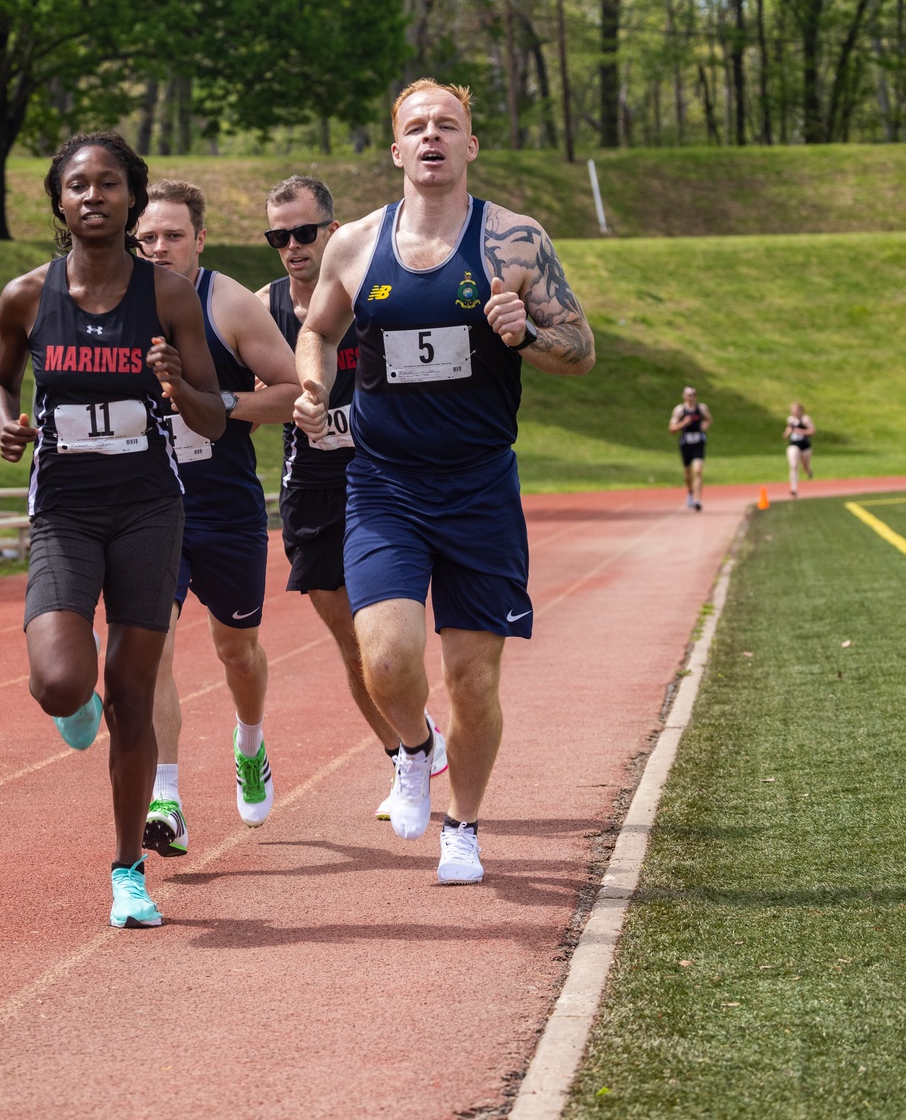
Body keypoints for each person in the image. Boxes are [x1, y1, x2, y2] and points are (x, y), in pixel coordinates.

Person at [293, 79, 595, 884]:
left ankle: (463, 824)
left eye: (447, 126)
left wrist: (525, 330)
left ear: (469, 146)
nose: (432, 138)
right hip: (385, 485)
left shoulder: (515, 241)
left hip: (479, 488)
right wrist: (314, 386)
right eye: (416, 127)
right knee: (385, 657)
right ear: (396, 150)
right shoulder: (355, 244)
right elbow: (316, 328)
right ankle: (414, 752)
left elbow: (580, 346)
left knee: (472, 674)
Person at [0, 133, 225, 930]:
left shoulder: (166, 296)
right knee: (60, 680)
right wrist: (4, 425)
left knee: (131, 693)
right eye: (79, 184)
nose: (94, 196)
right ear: (58, 200)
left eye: (110, 184)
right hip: (65, 509)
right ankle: (72, 706)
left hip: (149, 508)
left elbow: (214, 417)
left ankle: (128, 870)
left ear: (131, 196)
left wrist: (176, 382)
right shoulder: (26, 294)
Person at [256, 176, 447, 817]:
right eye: (278, 237)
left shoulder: (372, 295)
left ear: (332, 232)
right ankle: (405, 755)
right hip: (308, 486)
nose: (292, 247)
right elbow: (243, 397)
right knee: (348, 640)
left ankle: (413, 751)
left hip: (387, 478)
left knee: (392, 633)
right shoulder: (264, 308)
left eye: (304, 233)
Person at [134, 180, 300, 856]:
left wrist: (213, 402)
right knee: (153, 648)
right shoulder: (115, 305)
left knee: (237, 650)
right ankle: (166, 797)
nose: (158, 248)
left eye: (172, 234)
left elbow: (291, 392)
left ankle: (251, 741)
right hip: (149, 506)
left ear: (199, 238)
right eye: (145, 238)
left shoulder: (227, 302)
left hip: (224, 505)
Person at [669, 387, 712, 510]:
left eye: (694, 394)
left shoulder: (702, 408)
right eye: (689, 395)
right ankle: (690, 493)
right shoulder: (679, 411)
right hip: (686, 444)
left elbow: (709, 420)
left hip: (698, 443)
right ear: (684, 396)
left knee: (698, 470)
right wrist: (683, 424)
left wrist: (705, 426)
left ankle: (698, 500)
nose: (692, 397)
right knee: (688, 473)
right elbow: (672, 429)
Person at [784, 402, 815, 496]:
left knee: (805, 467)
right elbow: (788, 429)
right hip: (794, 444)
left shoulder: (805, 419)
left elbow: (813, 431)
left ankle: (809, 471)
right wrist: (787, 432)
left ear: (801, 410)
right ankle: (794, 489)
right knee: (794, 465)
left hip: (805, 446)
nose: (795, 411)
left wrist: (801, 431)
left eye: (797, 410)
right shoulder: (790, 419)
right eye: (793, 410)